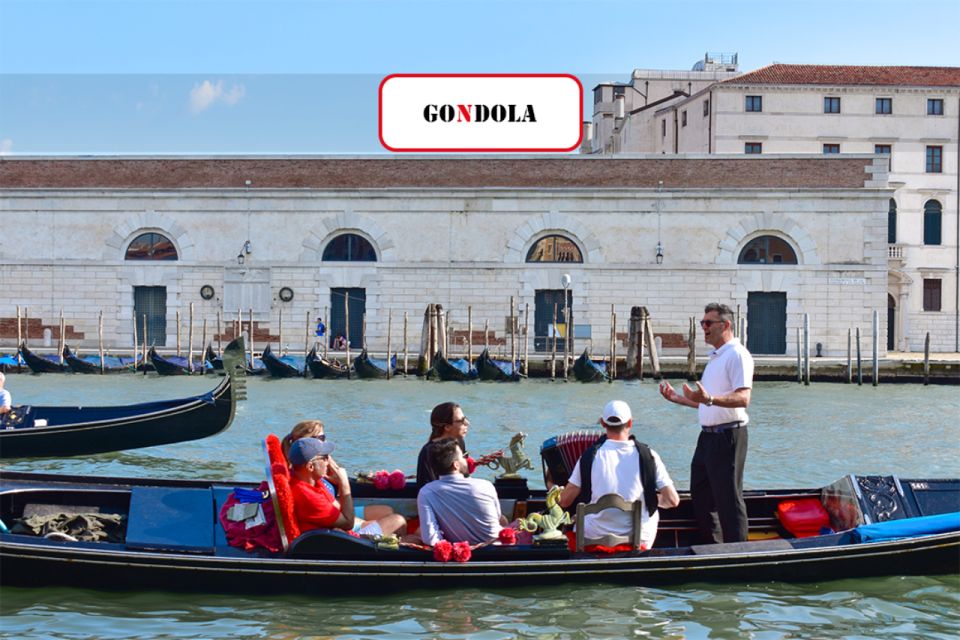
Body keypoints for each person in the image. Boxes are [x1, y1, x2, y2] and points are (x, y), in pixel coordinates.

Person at [658, 302, 754, 544]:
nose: (704, 328)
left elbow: (744, 398)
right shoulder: (715, 358)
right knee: (701, 494)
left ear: (726, 325)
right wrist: (679, 399)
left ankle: (738, 552)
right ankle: (714, 545)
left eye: (709, 323)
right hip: (708, 437)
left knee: (729, 498)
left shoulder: (737, 354)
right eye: (703, 323)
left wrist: (709, 398)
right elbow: (707, 404)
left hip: (729, 436)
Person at [558, 400, 679, 550]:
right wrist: (648, 498)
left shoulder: (589, 457)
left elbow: (564, 502)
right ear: (630, 423)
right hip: (640, 541)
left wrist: (552, 486)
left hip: (592, 538)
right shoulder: (650, 456)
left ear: (603, 423)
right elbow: (673, 501)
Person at [288, 437, 406, 538]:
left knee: (391, 517)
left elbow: (338, 509)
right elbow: (348, 523)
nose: (328, 462)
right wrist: (344, 483)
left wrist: (365, 523)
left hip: (338, 533)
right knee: (399, 522)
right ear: (310, 467)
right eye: (324, 458)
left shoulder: (312, 482)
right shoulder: (308, 496)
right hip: (341, 542)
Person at [282, 419, 395, 522]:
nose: (324, 442)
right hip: (334, 515)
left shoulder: (317, 466)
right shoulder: (309, 473)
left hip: (335, 509)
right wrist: (343, 483)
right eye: (321, 438)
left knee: (387, 511)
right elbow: (346, 521)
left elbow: (338, 477)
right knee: (397, 521)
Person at [417, 438, 507, 545]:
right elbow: (497, 517)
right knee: (505, 520)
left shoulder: (426, 492)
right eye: (464, 456)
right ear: (456, 465)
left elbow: (431, 539)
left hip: (456, 555)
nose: (467, 459)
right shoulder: (486, 485)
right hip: (497, 550)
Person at [416, 402, 502, 487]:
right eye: (461, 421)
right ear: (447, 427)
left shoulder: (459, 442)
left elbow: (465, 475)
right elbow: (425, 488)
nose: (467, 423)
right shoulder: (427, 453)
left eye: (465, 418)